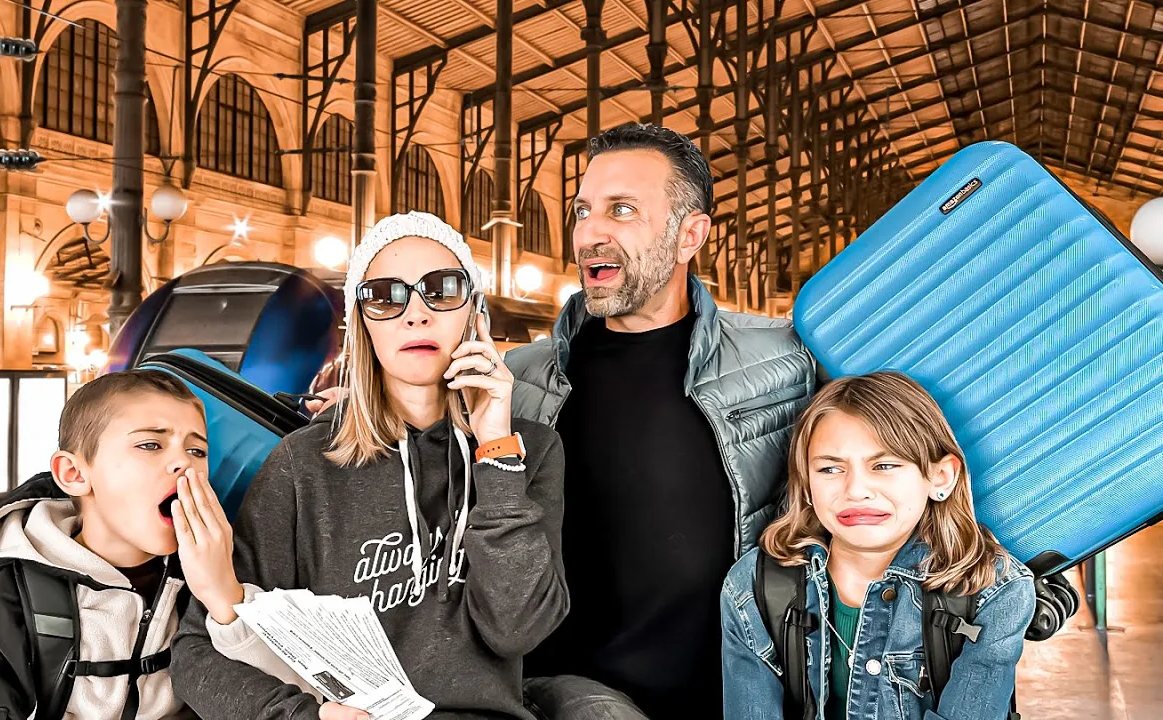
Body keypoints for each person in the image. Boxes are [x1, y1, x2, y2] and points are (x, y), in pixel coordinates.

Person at [170, 211, 568, 720]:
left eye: (442, 289)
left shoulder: (530, 451)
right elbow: (195, 653)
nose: (416, 314)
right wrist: (301, 718)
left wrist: (495, 449)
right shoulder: (303, 465)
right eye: (385, 295)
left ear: (474, 314)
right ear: (362, 324)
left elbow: (518, 629)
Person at [503, 123, 817, 718]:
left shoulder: (785, 359)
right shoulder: (516, 382)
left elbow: (897, 467)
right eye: (582, 211)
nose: (591, 233)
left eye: (622, 210)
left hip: (737, 698)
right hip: (568, 700)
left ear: (689, 234)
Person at [721, 372, 1036, 720]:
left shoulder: (994, 591)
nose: (856, 490)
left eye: (884, 465)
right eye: (829, 469)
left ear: (940, 478)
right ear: (807, 486)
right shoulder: (753, 587)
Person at [0, 370, 245, 719]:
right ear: (74, 473)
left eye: (197, 450)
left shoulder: (207, 576)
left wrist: (225, 599)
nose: (184, 464)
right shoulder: (15, 596)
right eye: (150, 444)